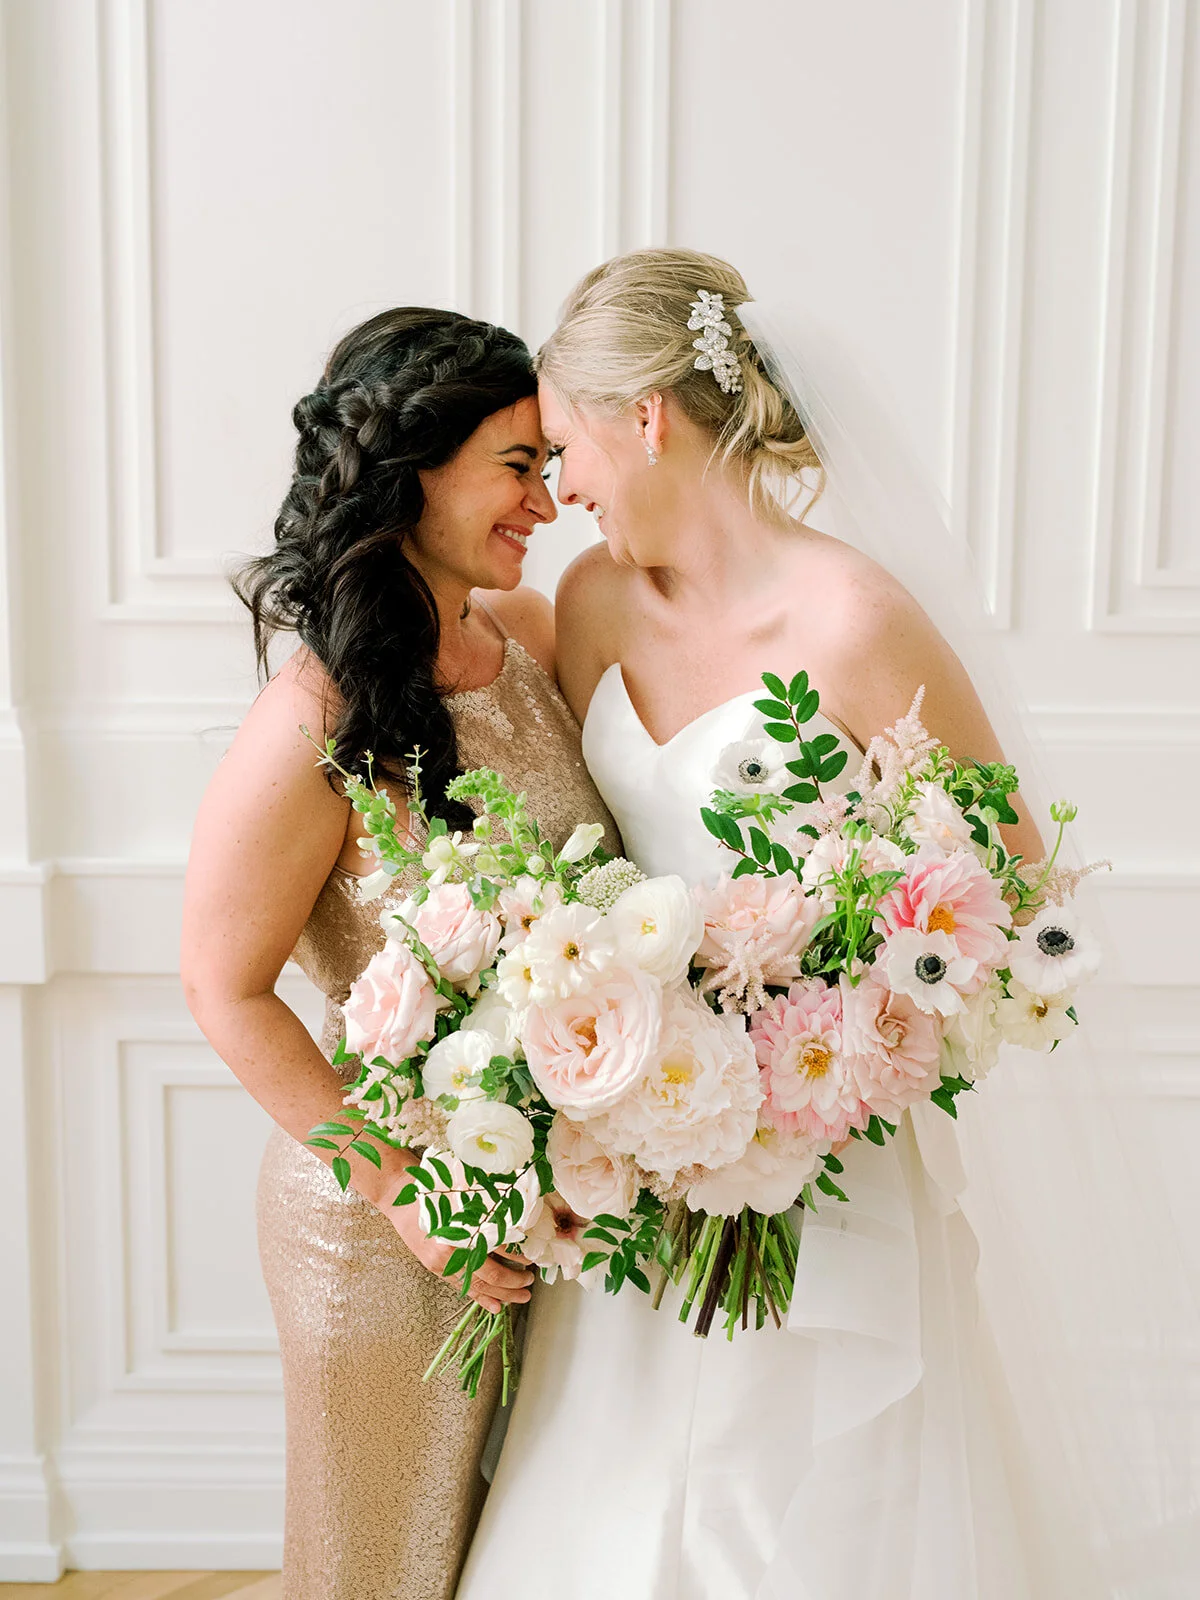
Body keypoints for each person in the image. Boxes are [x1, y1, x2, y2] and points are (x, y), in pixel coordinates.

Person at [455, 251, 1053, 1600]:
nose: (562, 491)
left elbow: (1009, 877)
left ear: (646, 418)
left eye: (566, 450)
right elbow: (574, 851)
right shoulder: (591, 605)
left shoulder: (856, 621)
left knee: (796, 1509)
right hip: (636, 1142)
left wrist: (842, 1017)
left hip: (819, 1147)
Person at [180, 307, 618, 1600]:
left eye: (551, 466)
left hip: (538, 1208)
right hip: (380, 1229)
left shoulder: (526, 637)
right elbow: (221, 986)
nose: (546, 503)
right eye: (517, 467)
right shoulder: (310, 716)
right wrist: (407, 1198)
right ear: (411, 470)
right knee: (376, 1571)